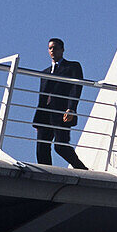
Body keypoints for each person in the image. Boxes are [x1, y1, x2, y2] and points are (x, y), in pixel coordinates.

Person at [33, 38, 87, 170]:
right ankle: (46, 173)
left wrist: (71, 108)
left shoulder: (72, 67)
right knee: (41, 147)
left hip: (61, 112)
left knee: (60, 146)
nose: (52, 50)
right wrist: (37, 119)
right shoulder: (45, 73)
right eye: (50, 48)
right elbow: (42, 97)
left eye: (55, 48)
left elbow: (76, 88)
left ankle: (80, 168)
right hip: (45, 114)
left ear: (62, 50)